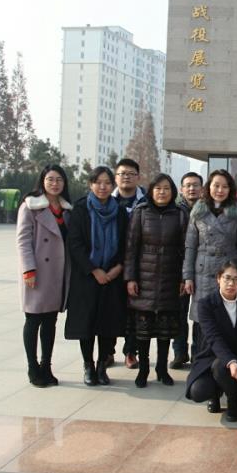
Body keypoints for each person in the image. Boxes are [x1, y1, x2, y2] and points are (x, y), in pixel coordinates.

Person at [64, 166, 127, 386]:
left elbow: (126, 242)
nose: (103, 187)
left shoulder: (120, 211)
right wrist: (94, 269)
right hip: (87, 277)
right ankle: (88, 365)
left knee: (108, 325)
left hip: (112, 276)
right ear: (91, 184)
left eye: (107, 183)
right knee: (87, 324)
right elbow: (75, 243)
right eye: (98, 182)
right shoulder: (81, 209)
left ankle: (102, 366)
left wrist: (117, 268)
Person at [125, 174, 189, 388]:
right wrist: (130, 277)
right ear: (151, 191)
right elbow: (131, 247)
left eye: (166, 188)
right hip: (144, 278)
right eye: (158, 188)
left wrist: (184, 277)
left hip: (171, 277)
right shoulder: (141, 212)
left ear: (173, 192)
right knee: (143, 331)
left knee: (165, 330)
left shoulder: (180, 214)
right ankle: (143, 369)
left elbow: (185, 248)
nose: (162, 192)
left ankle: (162, 368)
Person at [183, 170, 237, 365]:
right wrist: (188, 276)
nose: (220, 190)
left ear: (230, 189)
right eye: (216, 185)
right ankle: (198, 364)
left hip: (228, 273)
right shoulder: (198, 212)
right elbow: (190, 246)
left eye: (224, 186)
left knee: (227, 320)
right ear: (209, 187)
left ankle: (226, 365)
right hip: (203, 273)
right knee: (201, 321)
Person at [16, 165, 72, 387]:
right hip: (37, 272)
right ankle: (33, 368)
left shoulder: (67, 209)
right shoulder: (30, 206)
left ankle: (46, 366)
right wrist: (28, 269)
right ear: (42, 181)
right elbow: (23, 240)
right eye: (50, 179)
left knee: (50, 321)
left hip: (58, 272)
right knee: (33, 320)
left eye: (59, 179)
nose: (55, 184)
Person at [185, 260, 237, 422]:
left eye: (236, 279)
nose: (231, 284)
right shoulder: (206, 304)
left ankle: (232, 401)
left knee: (221, 366)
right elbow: (213, 337)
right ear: (218, 279)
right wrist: (230, 361)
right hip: (211, 355)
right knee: (198, 391)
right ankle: (214, 395)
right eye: (227, 278)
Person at [111, 158, 147, 369]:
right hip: (112, 264)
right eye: (122, 173)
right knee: (110, 308)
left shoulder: (146, 201)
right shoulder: (107, 200)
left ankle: (130, 351)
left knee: (134, 311)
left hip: (139, 264)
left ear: (138, 177)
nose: (126, 177)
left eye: (131, 174)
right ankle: (108, 351)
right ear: (116, 177)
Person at [170, 172, 203, 369]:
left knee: (201, 314)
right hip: (179, 269)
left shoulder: (207, 210)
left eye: (196, 185)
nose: (192, 188)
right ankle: (179, 352)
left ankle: (198, 353)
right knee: (179, 313)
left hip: (203, 268)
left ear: (202, 189)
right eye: (188, 185)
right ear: (181, 189)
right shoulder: (174, 211)